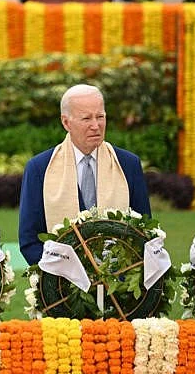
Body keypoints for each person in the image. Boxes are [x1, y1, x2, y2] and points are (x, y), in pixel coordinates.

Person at [18, 84, 151, 265]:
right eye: (86, 118)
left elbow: (145, 233)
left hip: (118, 284)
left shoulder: (128, 165)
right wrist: (61, 275)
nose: (96, 126)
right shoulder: (39, 168)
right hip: (61, 285)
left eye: (100, 117)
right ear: (66, 122)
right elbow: (30, 241)